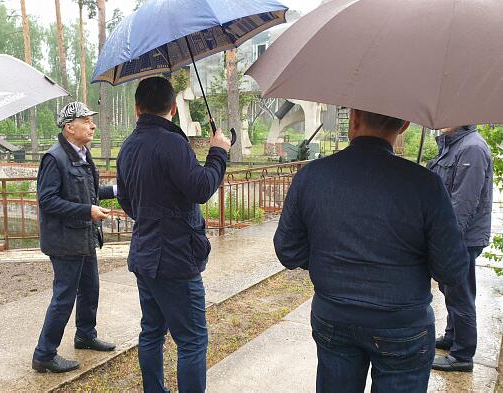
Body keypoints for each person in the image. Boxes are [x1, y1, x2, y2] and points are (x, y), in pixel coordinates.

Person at [273, 109, 470, 393]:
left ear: (353, 119)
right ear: (403, 125)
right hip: (402, 326)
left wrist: (327, 262)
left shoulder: (311, 176)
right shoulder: (425, 184)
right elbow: (451, 270)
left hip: (334, 318)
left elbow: (287, 251)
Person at [116, 76, 231, 393]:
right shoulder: (172, 143)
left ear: (137, 108)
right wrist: (219, 151)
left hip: (145, 253)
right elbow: (202, 187)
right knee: (192, 339)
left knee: (151, 331)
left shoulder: (128, 147)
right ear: (172, 108)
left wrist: (153, 219)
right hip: (177, 259)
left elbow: (126, 200)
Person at [32, 102, 117, 373]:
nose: (93, 125)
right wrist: (87, 211)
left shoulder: (81, 154)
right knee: (64, 296)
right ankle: (44, 354)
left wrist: (116, 189)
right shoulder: (54, 158)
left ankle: (85, 335)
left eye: (91, 121)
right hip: (64, 241)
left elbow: (87, 191)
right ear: (70, 127)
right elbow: (47, 202)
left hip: (83, 237)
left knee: (91, 289)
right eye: (86, 121)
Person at [427, 125, 493, 372]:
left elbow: (463, 203)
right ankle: (452, 336)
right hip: (455, 236)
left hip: (461, 238)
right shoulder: (454, 145)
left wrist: (447, 240)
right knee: (450, 289)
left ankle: (463, 355)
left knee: (461, 294)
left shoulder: (472, 148)